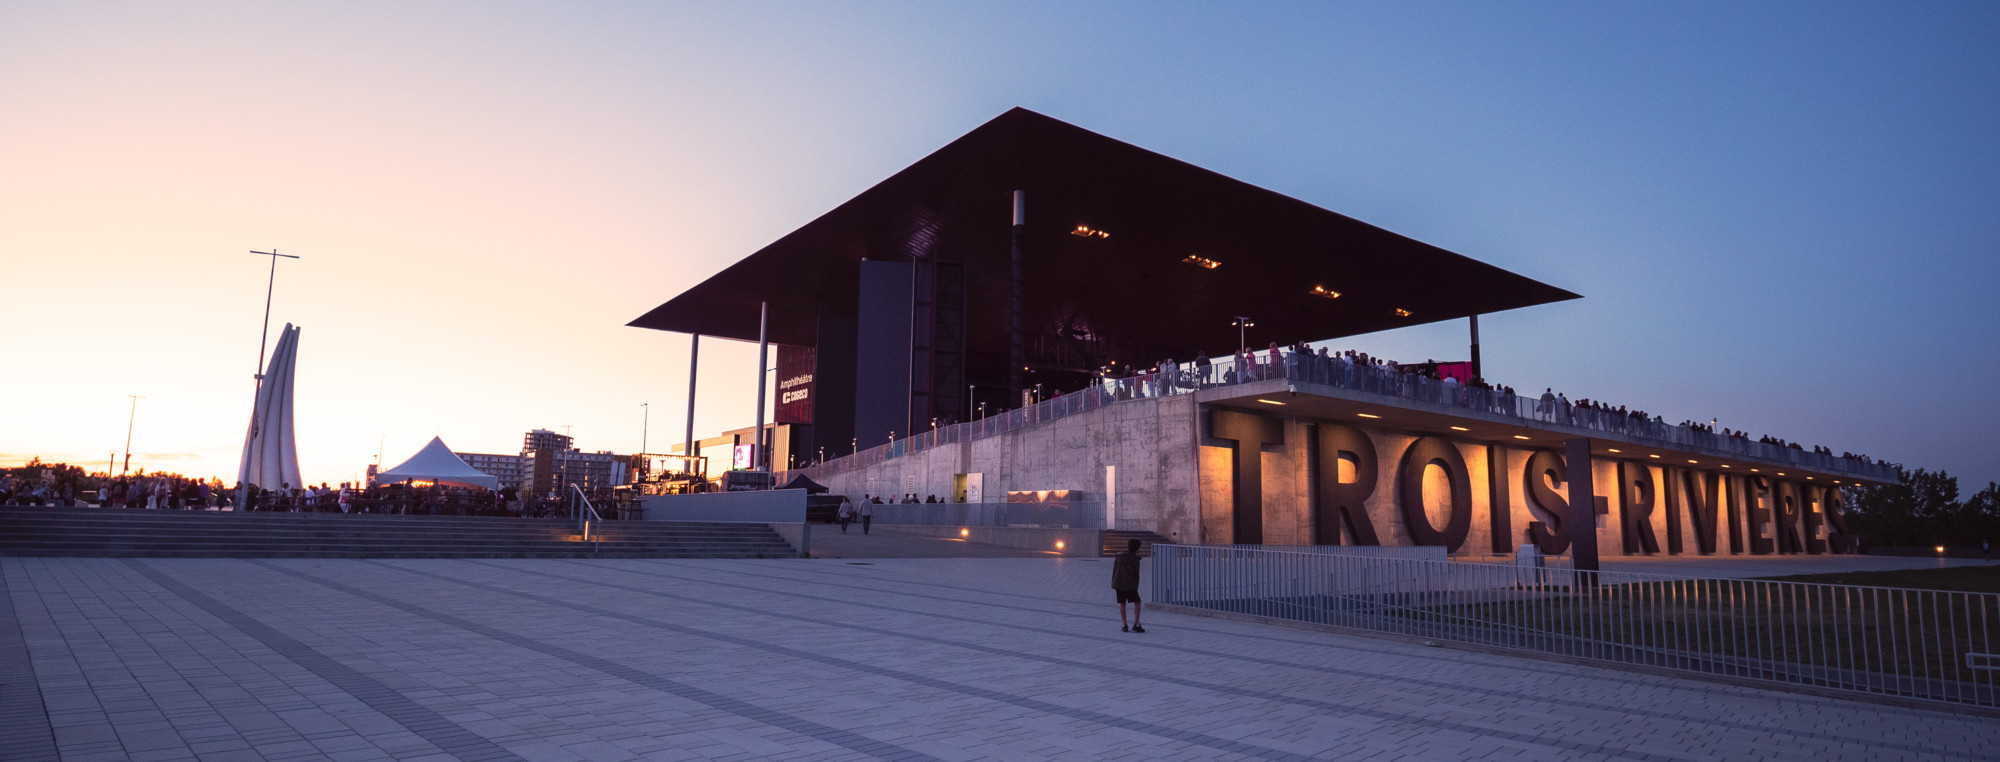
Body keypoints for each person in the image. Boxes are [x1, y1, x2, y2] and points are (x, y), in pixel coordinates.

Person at [1112, 538, 1144, 633]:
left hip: (1119, 583)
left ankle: (1124, 624)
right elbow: (1135, 574)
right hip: (1130, 584)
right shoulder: (1134, 559)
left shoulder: (1119, 557)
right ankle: (1136, 624)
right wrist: (1135, 586)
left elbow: (1114, 571)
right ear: (1137, 548)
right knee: (1137, 602)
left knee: (1122, 603)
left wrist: (1114, 582)